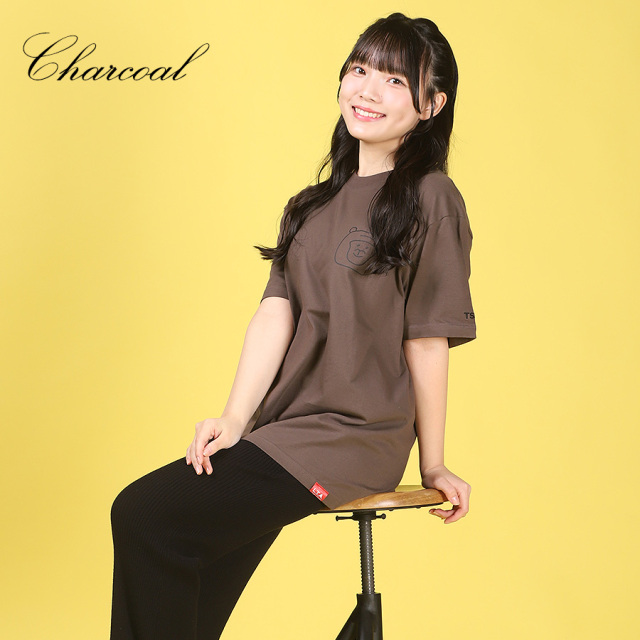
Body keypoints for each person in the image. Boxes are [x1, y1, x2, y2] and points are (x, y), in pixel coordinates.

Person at [109, 12, 477, 640]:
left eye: (394, 80)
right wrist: (233, 418)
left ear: (431, 104)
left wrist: (434, 461)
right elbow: (275, 313)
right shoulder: (310, 207)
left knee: (145, 515)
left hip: (355, 434)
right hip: (283, 431)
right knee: (192, 559)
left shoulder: (431, 196)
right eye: (359, 70)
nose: (367, 90)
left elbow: (426, 337)